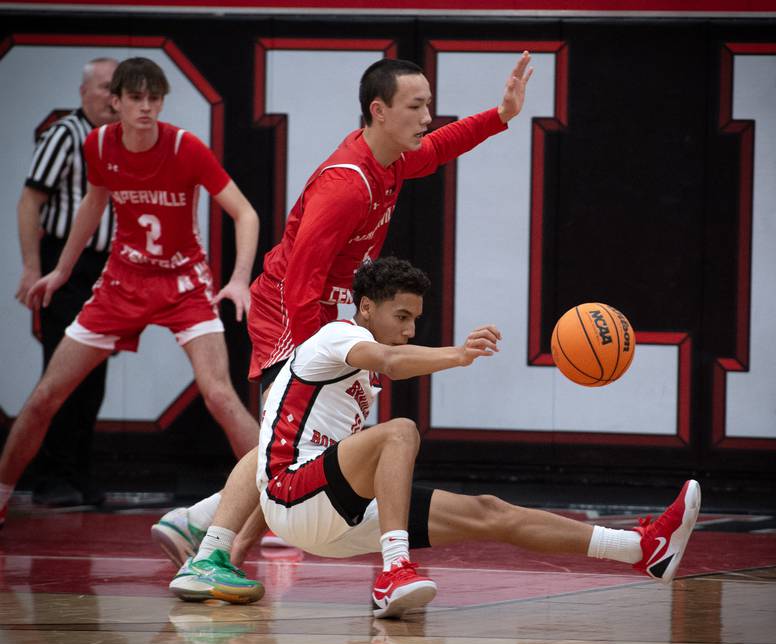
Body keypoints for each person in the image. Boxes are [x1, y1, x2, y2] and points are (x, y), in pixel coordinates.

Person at [151, 50, 535, 563]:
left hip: (326, 315)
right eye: (416, 106)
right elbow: (299, 282)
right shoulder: (346, 186)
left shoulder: (392, 159)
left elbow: (440, 147)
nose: (427, 117)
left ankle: (202, 530)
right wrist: (314, 361)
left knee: (308, 447)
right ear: (379, 110)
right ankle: (208, 541)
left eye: (428, 105)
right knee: (291, 444)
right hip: (290, 314)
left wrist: (501, 115)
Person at [168, 257, 702, 619]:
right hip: (297, 496)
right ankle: (394, 570)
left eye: (415, 319)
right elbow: (391, 359)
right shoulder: (338, 335)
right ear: (365, 307)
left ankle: (641, 549)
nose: (409, 329)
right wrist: (459, 355)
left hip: (330, 512)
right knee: (399, 432)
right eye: (401, 316)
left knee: (489, 511)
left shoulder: (353, 379)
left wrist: (231, 546)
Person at [0, 57, 260, 530]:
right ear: (115, 102)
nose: (145, 107)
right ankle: (1, 495)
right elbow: (93, 202)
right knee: (45, 396)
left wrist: (240, 278)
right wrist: (61, 270)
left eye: (154, 99)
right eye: (136, 98)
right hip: (122, 280)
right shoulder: (98, 143)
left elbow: (245, 213)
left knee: (220, 396)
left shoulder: (184, 146)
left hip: (183, 282)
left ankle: (280, 508)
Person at [14, 57, 118, 508]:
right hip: (66, 264)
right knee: (60, 374)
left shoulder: (121, 140)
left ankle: (78, 472)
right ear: (83, 92)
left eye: (117, 89)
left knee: (94, 377)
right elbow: (29, 202)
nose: (112, 98)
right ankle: (49, 476)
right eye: (105, 88)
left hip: (106, 268)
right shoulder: (65, 135)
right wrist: (32, 267)